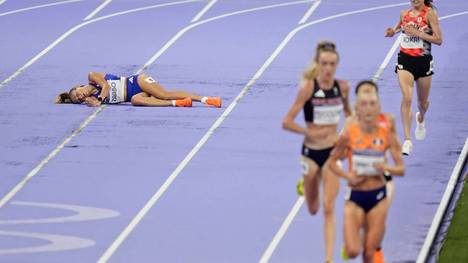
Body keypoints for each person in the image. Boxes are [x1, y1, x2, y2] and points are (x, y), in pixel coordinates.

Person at [282, 40, 351, 262]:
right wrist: (308, 132)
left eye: (332, 64)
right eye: (324, 64)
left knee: (329, 207)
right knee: (313, 208)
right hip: (311, 153)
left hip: (332, 154)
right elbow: (287, 122)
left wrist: (348, 136)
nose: (328, 68)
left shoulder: (343, 87)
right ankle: (305, 182)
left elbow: (350, 115)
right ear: (318, 64)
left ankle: (329, 259)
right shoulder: (308, 89)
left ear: (337, 64)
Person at [328, 82, 405, 263]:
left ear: (378, 103)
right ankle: (354, 238)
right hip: (356, 188)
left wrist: (384, 166)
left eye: (372, 100)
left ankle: (376, 247)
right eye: (364, 98)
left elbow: (398, 160)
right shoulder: (350, 125)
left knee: (371, 244)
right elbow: (335, 156)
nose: (368, 106)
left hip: (381, 182)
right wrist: (348, 175)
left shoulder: (388, 121)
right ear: (358, 104)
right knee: (354, 248)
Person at [384, 0, 442, 155]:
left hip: (423, 62)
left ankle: (421, 118)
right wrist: (392, 32)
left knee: (422, 103)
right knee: (407, 97)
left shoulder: (430, 14)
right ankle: (407, 140)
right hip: (405, 60)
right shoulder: (404, 14)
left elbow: (438, 40)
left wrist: (419, 34)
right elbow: (399, 28)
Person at [56, 72, 222, 108]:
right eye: (78, 99)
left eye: (78, 93)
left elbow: (106, 86)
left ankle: (206, 99)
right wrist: (92, 104)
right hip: (135, 94)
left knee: (163, 94)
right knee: (136, 101)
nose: (80, 96)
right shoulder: (91, 100)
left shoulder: (92, 77)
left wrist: (98, 101)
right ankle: (178, 103)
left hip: (138, 82)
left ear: (78, 87)